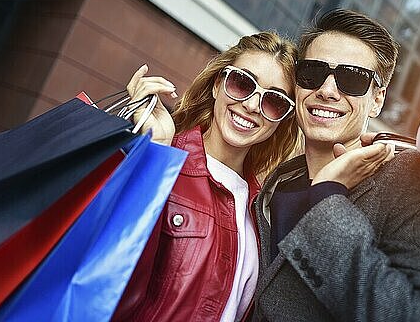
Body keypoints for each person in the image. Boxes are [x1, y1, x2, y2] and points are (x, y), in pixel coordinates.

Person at [251, 9, 420, 321]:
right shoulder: (276, 184)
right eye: (312, 73)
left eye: (352, 79)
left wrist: (327, 200)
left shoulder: (413, 177)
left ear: (378, 99)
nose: (326, 91)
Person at [112, 32, 303, 322]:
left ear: (282, 119)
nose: (252, 105)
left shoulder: (263, 212)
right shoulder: (163, 159)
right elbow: (111, 266)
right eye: (242, 83)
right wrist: (155, 153)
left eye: (274, 100)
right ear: (218, 85)